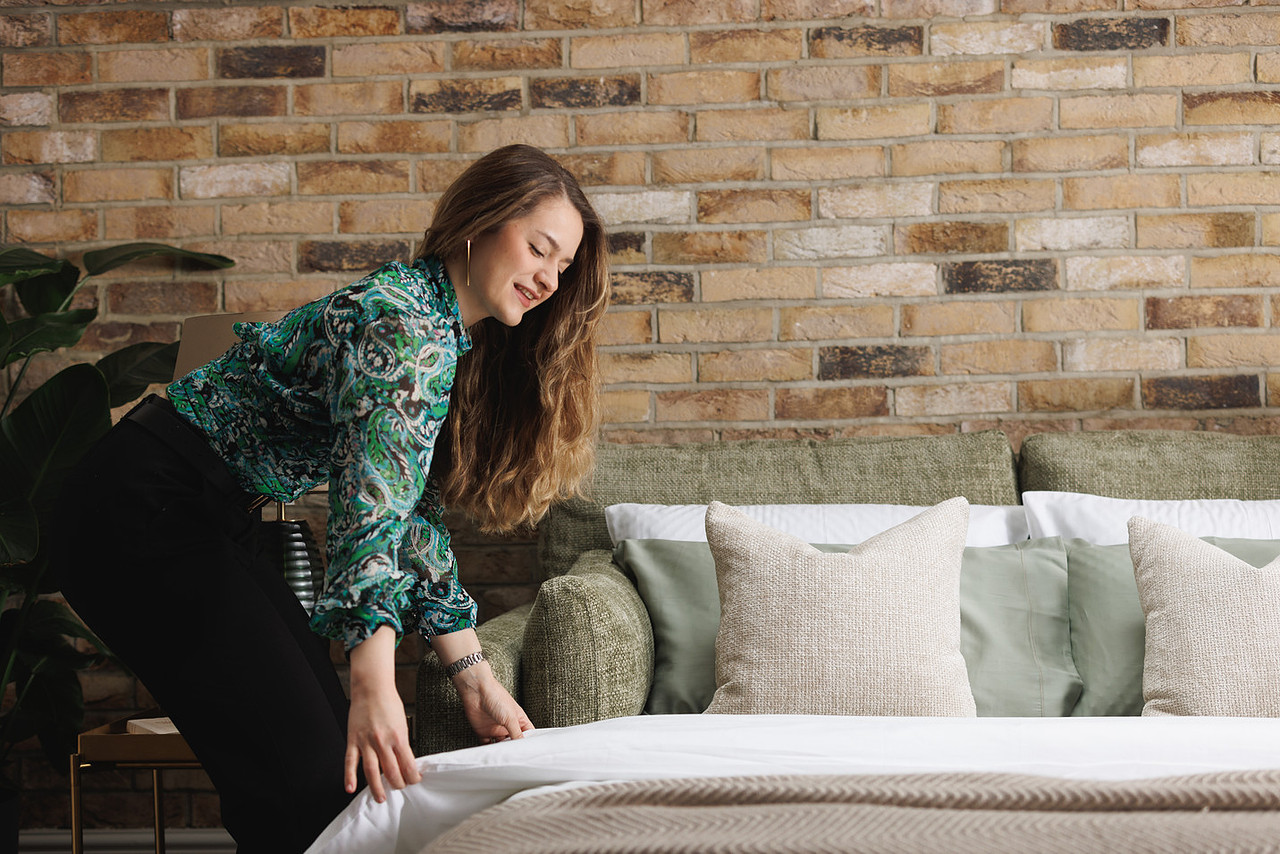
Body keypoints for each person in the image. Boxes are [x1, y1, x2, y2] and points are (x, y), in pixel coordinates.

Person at [51, 144, 610, 853]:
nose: (549, 279)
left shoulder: (436, 328)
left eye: (563, 265)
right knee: (309, 779)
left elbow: (407, 512)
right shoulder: (401, 325)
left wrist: (473, 676)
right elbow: (368, 512)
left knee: (321, 781)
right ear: (480, 224)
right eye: (539, 249)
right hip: (139, 510)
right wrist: (374, 683)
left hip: (198, 511)